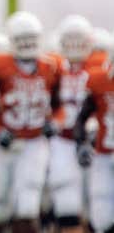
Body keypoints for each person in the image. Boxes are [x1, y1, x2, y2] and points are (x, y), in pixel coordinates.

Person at [0, 11, 61, 233]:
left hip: (34, 142)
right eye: (22, 39)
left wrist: (55, 121)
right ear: (11, 41)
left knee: (28, 203)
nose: (27, 44)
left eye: (31, 38)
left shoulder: (51, 67)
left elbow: (60, 102)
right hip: (4, 141)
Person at [47, 15, 99, 233]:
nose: (76, 46)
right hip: (64, 140)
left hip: (95, 142)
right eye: (71, 40)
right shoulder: (54, 68)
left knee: (98, 204)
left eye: (80, 40)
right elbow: (48, 102)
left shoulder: (100, 69)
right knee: (66, 201)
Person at [74, 40, 114, 233]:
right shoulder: (100, 80)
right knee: (102, 217)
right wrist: (81, 143)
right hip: (104, 155)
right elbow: (82, 118)